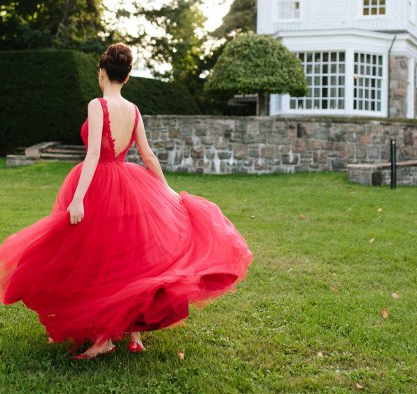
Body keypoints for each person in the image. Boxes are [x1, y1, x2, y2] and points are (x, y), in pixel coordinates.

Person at [0, 43, 253, 359]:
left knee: (99, 256)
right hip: (129, 182)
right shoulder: (133, 110)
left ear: (102, 73)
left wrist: (78, 198)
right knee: (129, 256)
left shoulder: (98, 104)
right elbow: (147, 155)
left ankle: (104, 336)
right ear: (128, 76)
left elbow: (93, 154)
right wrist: (167, 189)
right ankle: (132, 336)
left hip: (99, 184)